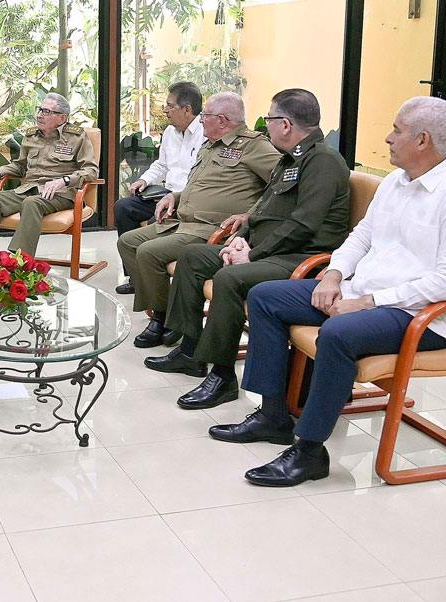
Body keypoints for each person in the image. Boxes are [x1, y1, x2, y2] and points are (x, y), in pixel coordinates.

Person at [211, 97, 446, 487]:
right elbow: (361, 236)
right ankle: (273, 414)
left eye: (397, 129)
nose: (388, 137)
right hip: (360, 293)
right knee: (266, 297)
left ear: (423, 140)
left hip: (422, 315)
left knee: (339, 334)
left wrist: (366, 302)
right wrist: (333, 275)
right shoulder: (397, 182)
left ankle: (310, 450)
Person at [144, 89, 351, 410]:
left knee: (230, 277)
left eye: (269, 119)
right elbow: (264, 208)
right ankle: (190, 350)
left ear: (284, 124)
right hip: (273, 248)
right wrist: (243, 234)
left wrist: (253, 253)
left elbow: (303, 225)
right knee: (194, 255)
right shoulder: (292, 157)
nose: (265, 126)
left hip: (302, 257)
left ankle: (223, 376)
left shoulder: (321, 161)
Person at [118, 92, 280, 348]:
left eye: (205, 115)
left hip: (211, 229)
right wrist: (175, 196)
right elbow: (200, 187)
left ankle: (162, 319)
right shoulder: (210, 144)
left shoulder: (254, 146)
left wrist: (250, 214)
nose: (201, 120)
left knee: (148, 252)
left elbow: (281, 186)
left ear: (223, 120)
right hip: (182, 221)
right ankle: (168, 309)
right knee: (128, 242)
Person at [0, 92, 99, 263]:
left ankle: (18, 264)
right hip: (30, 189)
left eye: (46, 112)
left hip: (60, 194)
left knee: (31, 203)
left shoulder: (76, 137)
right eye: (40, 110)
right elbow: (20, 166)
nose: (39, 115)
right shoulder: (31, 136)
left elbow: (91, 170)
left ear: (62, 118)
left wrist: (63, 181)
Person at [114, 82, 206, 295]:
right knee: (123, 207)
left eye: (169, 105)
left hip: (188, 198)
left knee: (159, 220)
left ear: (187, 109)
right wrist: (144, 180)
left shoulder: (205, 134)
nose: (164, 110)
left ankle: (156, 282)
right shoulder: (170, 132)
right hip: (164, 194)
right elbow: (162, 165)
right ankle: (136, 277)